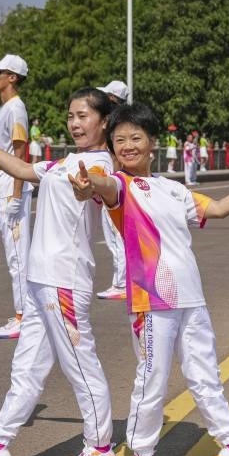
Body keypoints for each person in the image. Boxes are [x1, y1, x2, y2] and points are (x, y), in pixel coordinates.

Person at [69, 102, 229, 456]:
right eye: (119, 141)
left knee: (205, 374)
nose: (128, 146)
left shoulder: (173, 189)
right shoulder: (121, 187)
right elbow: (100, 185)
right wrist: (89, 185)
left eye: (135, 138)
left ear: (152, 143)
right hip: (152, 300)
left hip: (191, 297)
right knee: (153, 378)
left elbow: (217, 209)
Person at [0, 87, 118, 456]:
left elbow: (102, 186)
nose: (75, 123)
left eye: (83, 116)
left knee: (80, 365)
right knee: (25, 368)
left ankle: (100, 447)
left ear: (104, 121)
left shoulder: (101, 166)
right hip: (40, 281)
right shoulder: (64, 162)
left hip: (65, 280)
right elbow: (24, 170)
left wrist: (90, 187)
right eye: (71, 116)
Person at [0, 54, 34, 340]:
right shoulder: (5, 109)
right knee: (12, 253)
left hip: (9, 187)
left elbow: (20, 153)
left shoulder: (16, 108)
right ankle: (23, 312)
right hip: (0, 183)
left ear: (12, 77)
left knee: (17, 254)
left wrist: (16, 196)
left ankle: (23, 315)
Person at [95, 80, 129, 301]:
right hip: (116, 184)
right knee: (117, 236)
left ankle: (121, 284)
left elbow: (117, 158)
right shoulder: (120, 123)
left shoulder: (115, 126)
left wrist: (112, 183)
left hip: (115, 186)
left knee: (117, 236)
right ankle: (123, 281)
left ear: (114, 99)